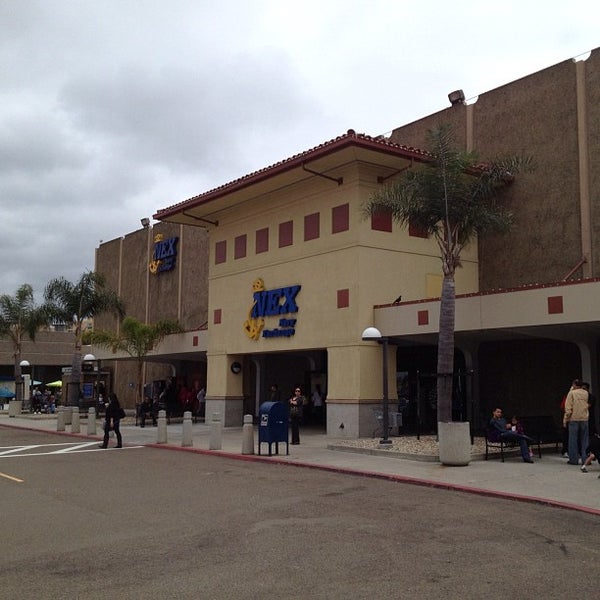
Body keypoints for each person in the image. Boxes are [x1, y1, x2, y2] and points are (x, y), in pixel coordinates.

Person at [563, 379, 589, 465]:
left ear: (574, 385)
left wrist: (566, 418)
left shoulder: (572, 393)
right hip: (584, 418)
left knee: (573, 440)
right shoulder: (585, 393)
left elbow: (568, 407)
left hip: (574, 418)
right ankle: (585, 458)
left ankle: (573, 459)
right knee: (584, 440)